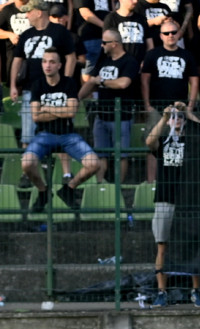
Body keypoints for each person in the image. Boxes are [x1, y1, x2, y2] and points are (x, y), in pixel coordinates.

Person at [145, 101, 200, 308]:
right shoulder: (163, 140)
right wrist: (164, 117)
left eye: (179, 117)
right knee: (162, 246)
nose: (177, 120)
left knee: (192, 246)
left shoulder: (193, 141)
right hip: (165, 197)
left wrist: (187, 112)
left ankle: (196, 290)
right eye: (174, 117)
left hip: (189, 200)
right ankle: (162, 292)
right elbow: (149, 142)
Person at [23, 47, 101, 211]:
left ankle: (68, 189)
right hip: (44, 135)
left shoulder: (68, 83)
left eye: (52, 62)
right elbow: (36, 117)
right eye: (44, 61)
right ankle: (44, 192)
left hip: (67, 135)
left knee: (94, 164)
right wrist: (60, 111)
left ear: (59, 65)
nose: (47, 65)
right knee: (27, 164)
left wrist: (47, 108)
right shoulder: (37, 84)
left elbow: (71, 112)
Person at [11, 0, 76, 147]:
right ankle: (28, 167)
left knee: (60, 132)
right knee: (27, 135)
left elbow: (71, 57)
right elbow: (17, 60)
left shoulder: (60, 31)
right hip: (30, 89)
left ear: (39, 12)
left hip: (55, 90)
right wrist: (13, 85)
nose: (27, 16)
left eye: (29, 12)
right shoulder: (26, 34)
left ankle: (61, 169)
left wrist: (65, 82)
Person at [141, 17, 199, 182]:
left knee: (180, 144)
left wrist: (190, 106)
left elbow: (194, 82)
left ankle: (181, 180)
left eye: (174, 32)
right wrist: (147, 105)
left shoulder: (187, 55)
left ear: (179, 34)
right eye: (166, 33)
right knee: (152, 146)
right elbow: (145, 81)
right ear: (161, 36)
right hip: (157, 107)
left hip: (180, 109)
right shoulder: (152, 54)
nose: (170, 35)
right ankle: (151, 182)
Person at [79, 29, 140, 183]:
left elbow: (123, 83)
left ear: (114, 44)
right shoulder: (103, 60)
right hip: (101, 115)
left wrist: (102, 82)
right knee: (101, 153)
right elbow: (91, 82)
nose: (102, 45)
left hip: (121, 116)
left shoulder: (129, 61)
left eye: (105, 42)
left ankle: (118, 190)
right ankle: (101, 186)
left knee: (121, 155)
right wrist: (76, 99)